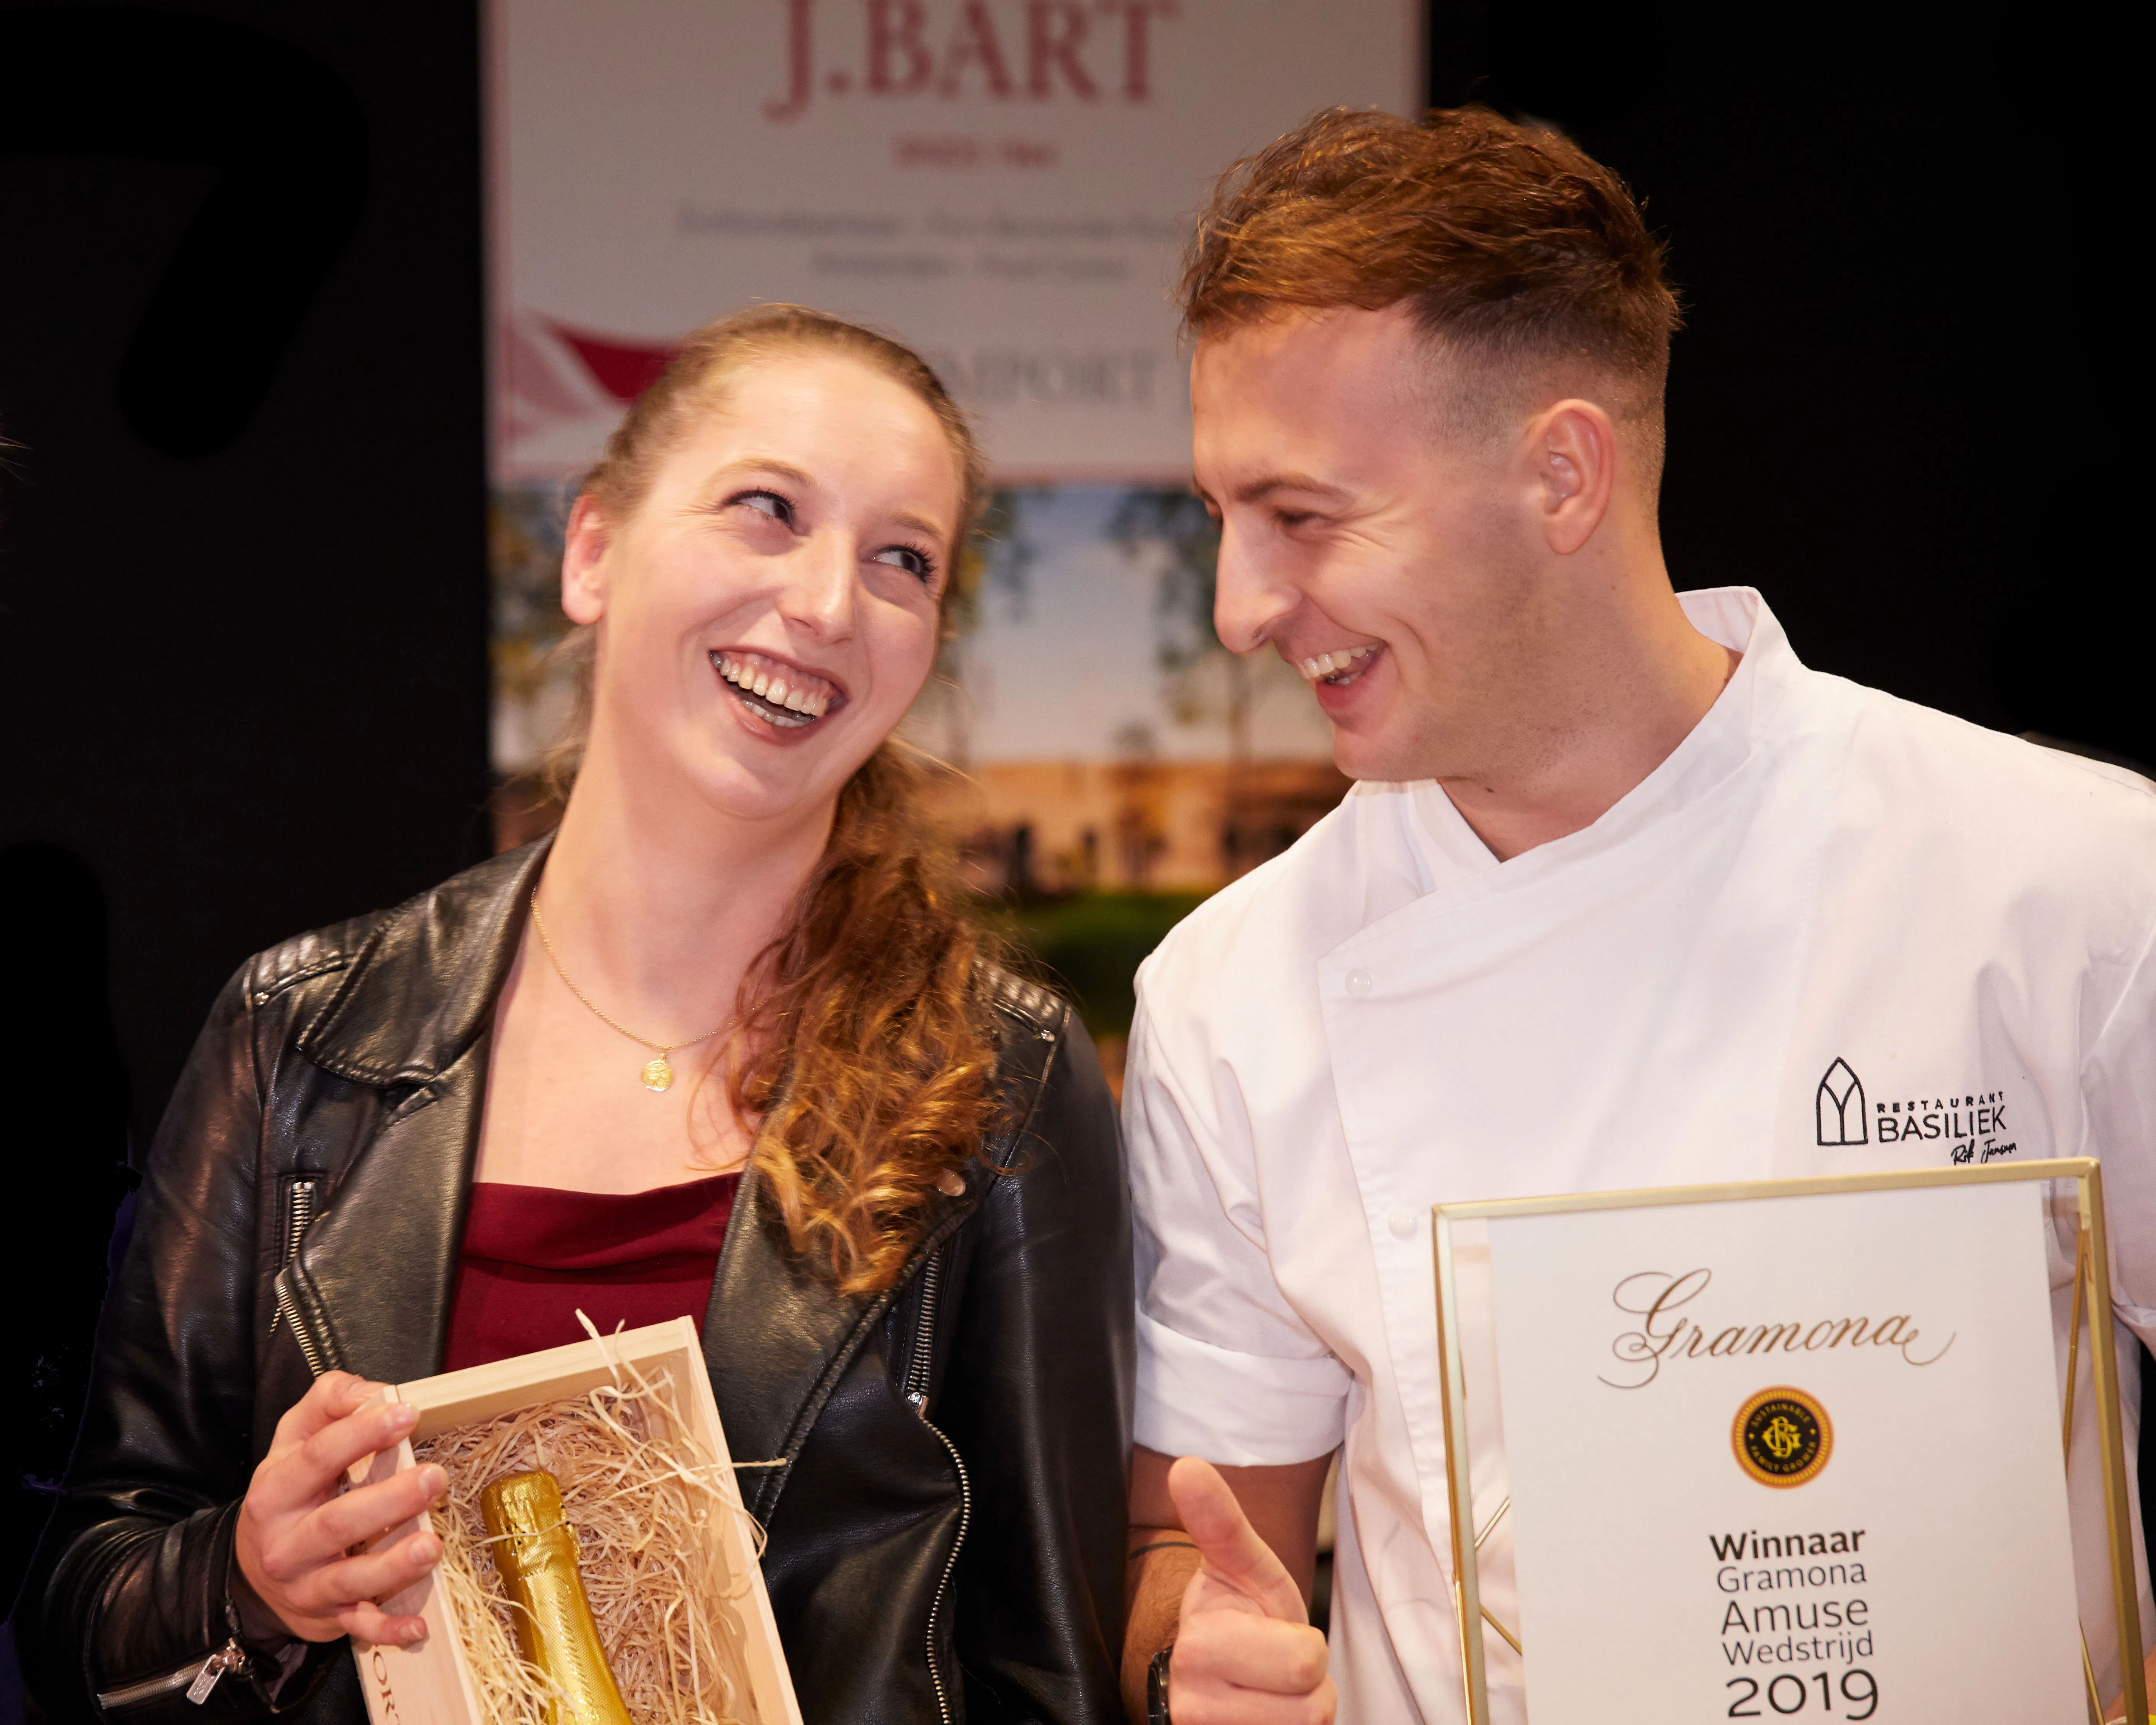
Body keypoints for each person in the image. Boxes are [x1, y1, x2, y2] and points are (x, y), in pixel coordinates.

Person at [1118, 107, 2156, 1722]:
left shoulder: (2072, 882)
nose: (1240, 609)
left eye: (1301, 518)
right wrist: (1188, 1653)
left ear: (1561, 474)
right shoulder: (1229, 995)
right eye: (1218, 517)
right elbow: (1192, 1544)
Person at [20, 305, 1132, 1725]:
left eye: (902, 560)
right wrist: (244, 1574)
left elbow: (1052, 1671)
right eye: (768, 509)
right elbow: (82, 1601)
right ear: (593, 550)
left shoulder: (1000, 1074)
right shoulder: (299, 1033)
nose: (828, 603)